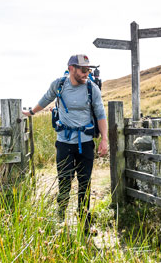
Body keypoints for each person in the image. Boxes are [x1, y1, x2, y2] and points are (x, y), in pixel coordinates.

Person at [24, 54, 109, 230]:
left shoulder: (92, 88)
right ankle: (60, 219)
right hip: (64, 143)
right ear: (71, 68)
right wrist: (31, 112)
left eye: (88, 70)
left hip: (86, 143)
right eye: (83, 69)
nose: (86, 73)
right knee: (64, 182)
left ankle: (84, 222)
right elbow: (46, 99)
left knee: (85, 183)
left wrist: (104, 139)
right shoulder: (59, 85)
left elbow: (100, 114)